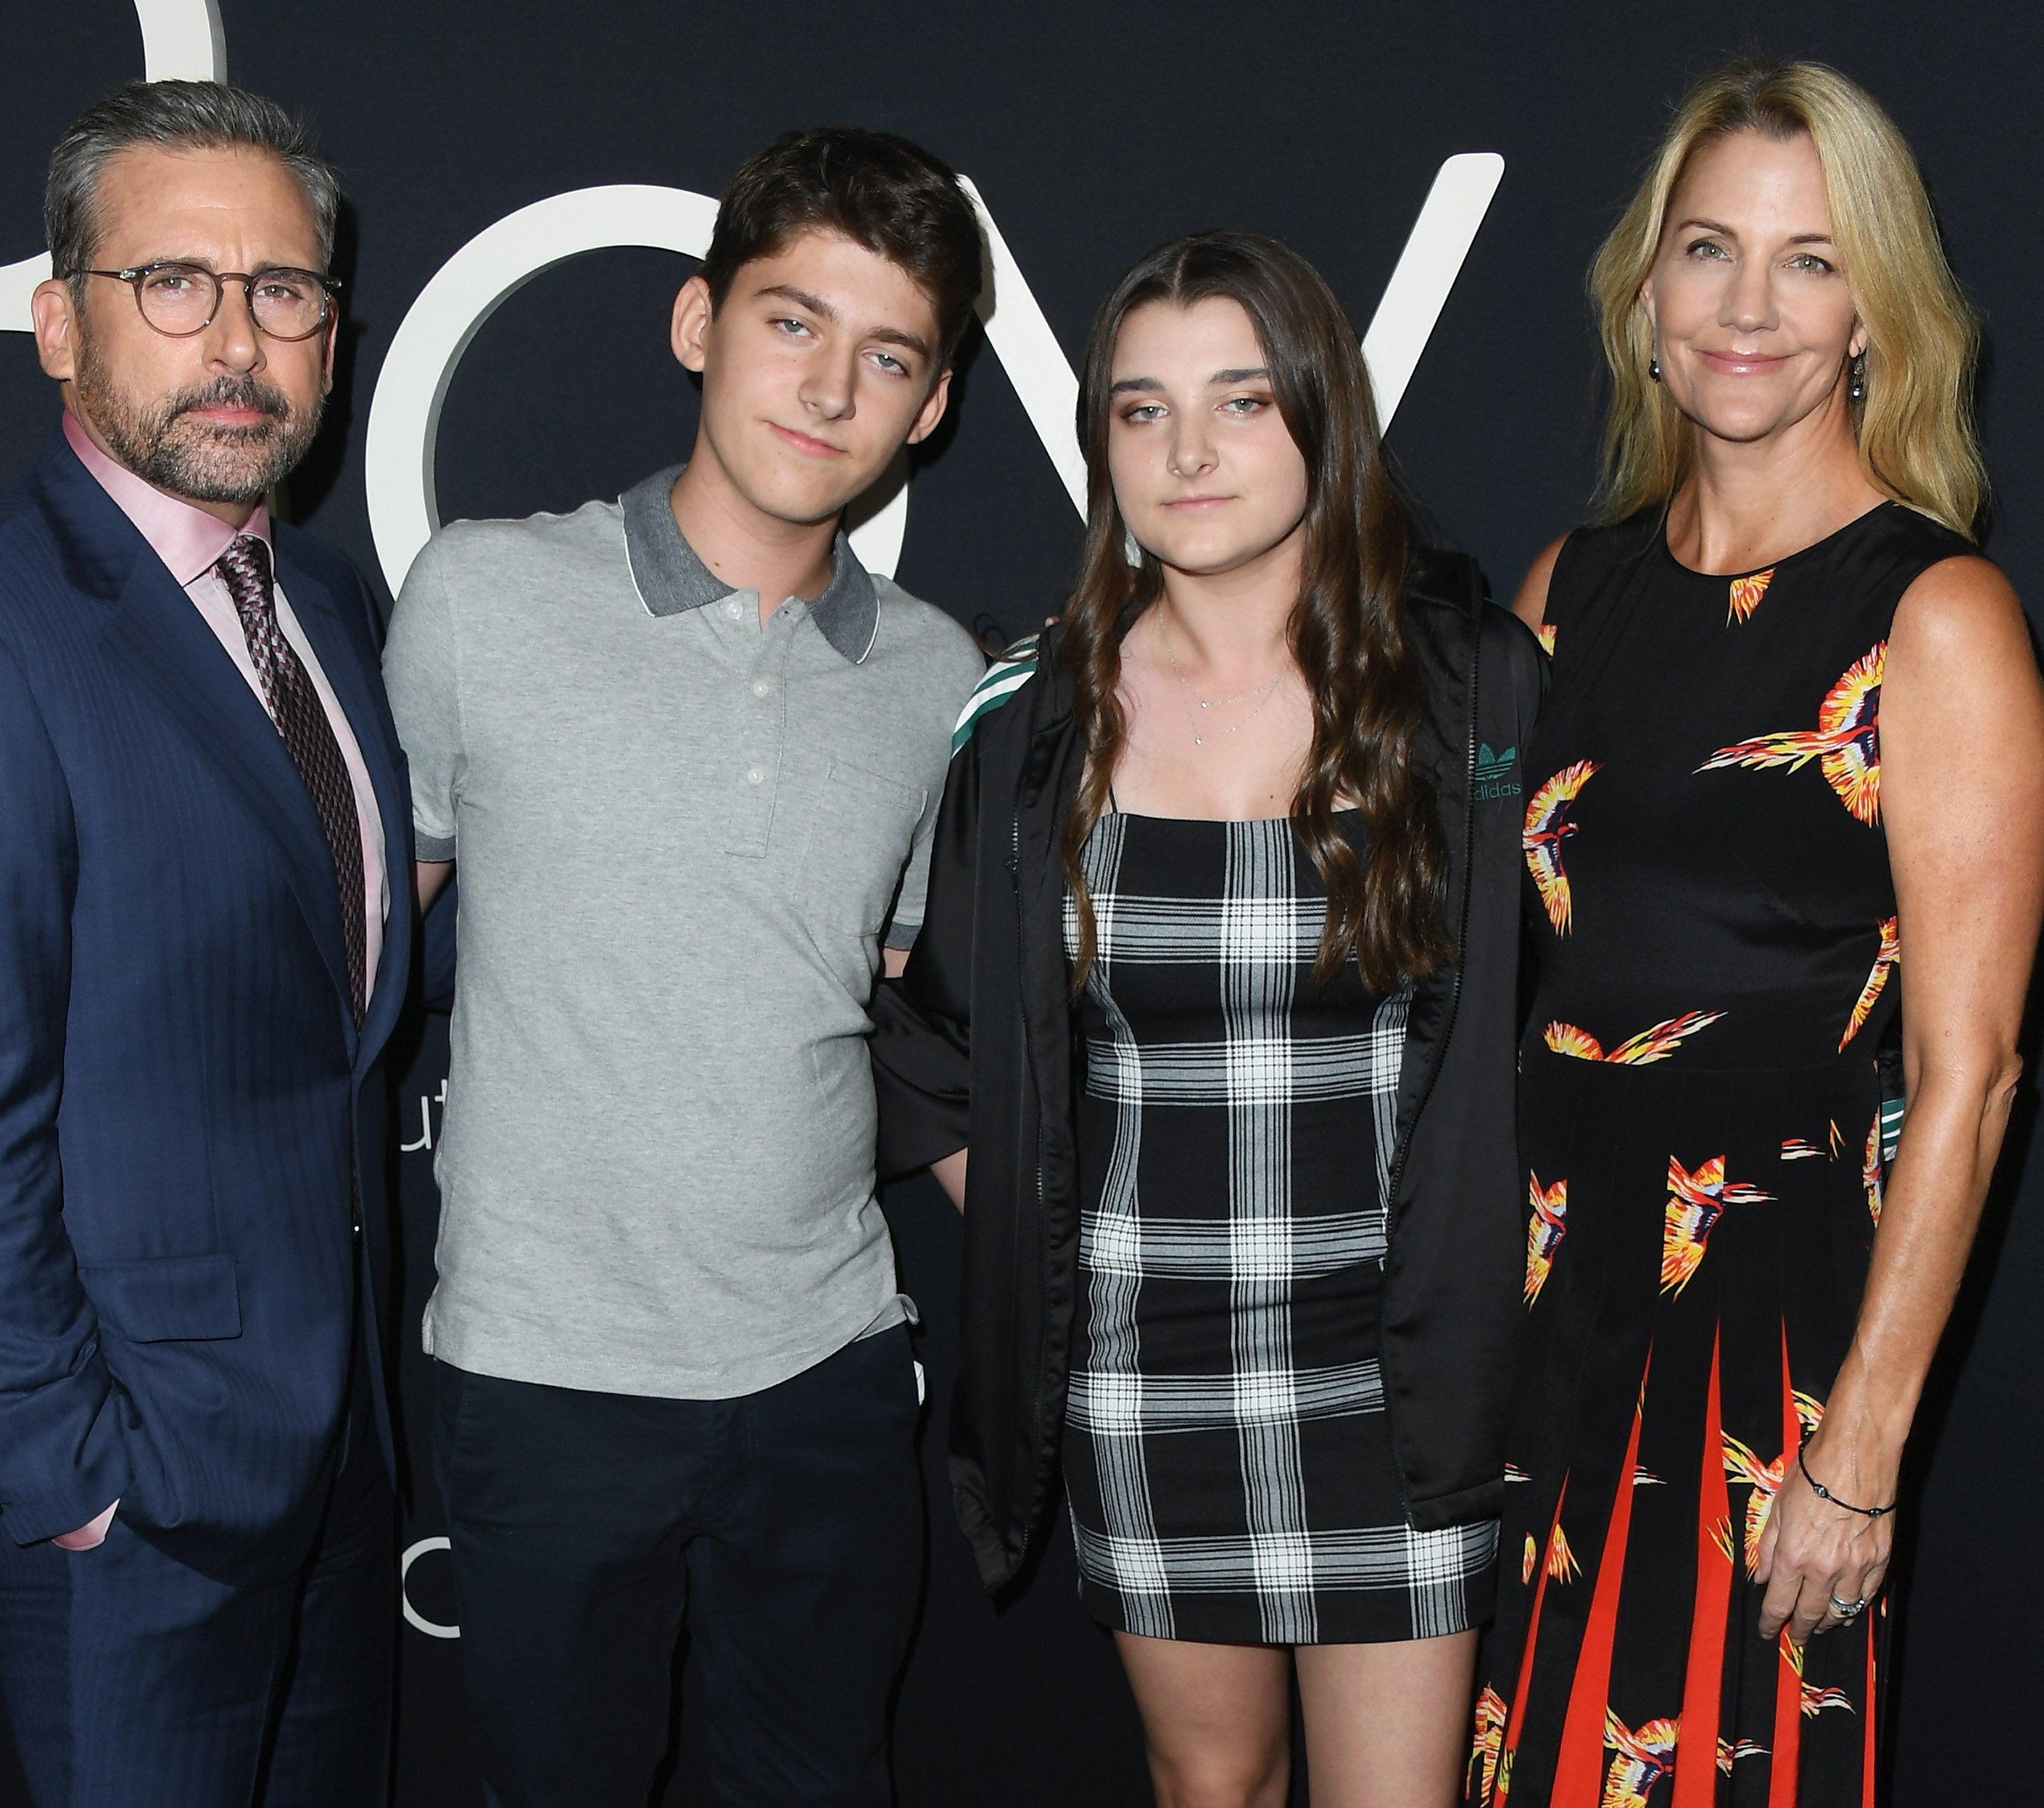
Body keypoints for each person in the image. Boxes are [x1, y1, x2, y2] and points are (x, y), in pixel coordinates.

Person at [872, 232, 1545, 1808]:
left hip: (1404, 1373)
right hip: (1146, 1373)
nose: (1186, 451)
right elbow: (933, 1049)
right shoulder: (1037, 718)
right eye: (1140, 408)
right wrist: (1065, 1243)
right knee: (1211, 1788)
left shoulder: (1474, 691)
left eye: (1241, 401)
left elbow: (1567, 1023)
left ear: (1323, 414)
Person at [0, 81, 409, 1807]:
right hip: (130, 1499)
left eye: (283, 291)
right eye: (176, 284)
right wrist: (67, 1477)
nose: (239, 340)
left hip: (336, 1450)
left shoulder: (325, 608)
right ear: (61, 319)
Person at [382, 127, 987, 1804]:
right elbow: (364, 961)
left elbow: (898, 1012)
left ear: (930, 404)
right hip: (545, 1370)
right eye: (793, 321)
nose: (831, 386)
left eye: (889, 354)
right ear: (696, 323)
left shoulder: (937, 676)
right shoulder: (481, 598)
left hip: (830, 1368)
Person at [1466, 59, 2044, 1806]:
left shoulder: (1936, 614)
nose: (1748, 306)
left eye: (1808, 260)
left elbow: (1974, 1071)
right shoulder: (1571, 588)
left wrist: (1863, 1446)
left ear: (1874, 309)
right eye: (1708, 249)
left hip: (1763, 1363)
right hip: (1531, 1317)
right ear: (1646, 296)